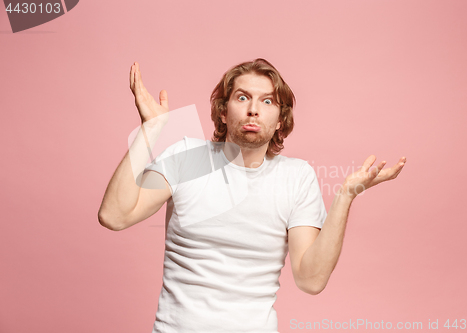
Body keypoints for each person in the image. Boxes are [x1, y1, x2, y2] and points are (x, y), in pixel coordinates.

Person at [98, 58, 406, 332]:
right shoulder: (186, 156)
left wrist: (346, 195)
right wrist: (151, 130)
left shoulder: (296, 176)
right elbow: (114, 216)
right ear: (222, 111)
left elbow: (311, 280)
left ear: (281, 120)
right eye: (242, 97)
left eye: (267, 102)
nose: (253, 109)